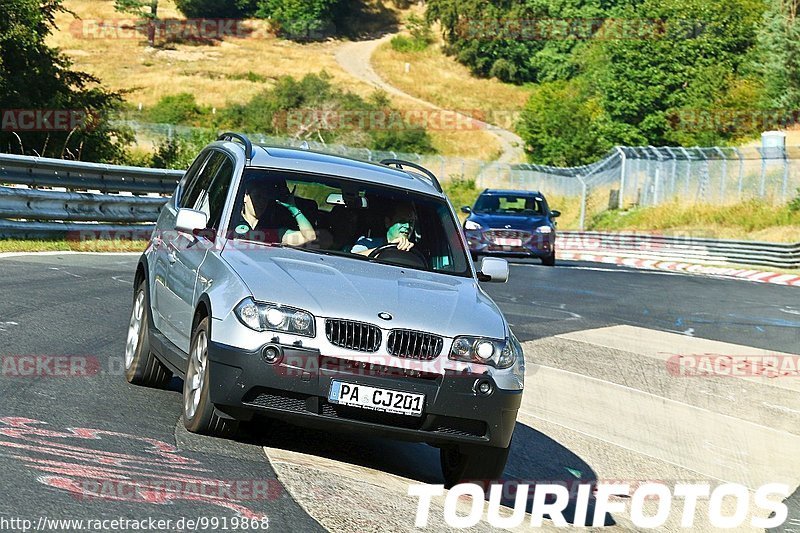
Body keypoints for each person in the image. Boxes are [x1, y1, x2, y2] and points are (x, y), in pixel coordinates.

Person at [235, 179, 316, 246]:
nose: (261, 202)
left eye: (265, 198)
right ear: (245, 196)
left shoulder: (272, 230)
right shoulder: (230, 221)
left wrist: (293, 209)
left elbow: (309, 237)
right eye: (257, 196)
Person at [351, 202, 417, 256]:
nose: (407, 226)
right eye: (402, 221)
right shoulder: (367, 243)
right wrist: (388, 248)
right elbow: (351, 260)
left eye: (411, 222)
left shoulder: (415, 253)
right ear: (388, 222)